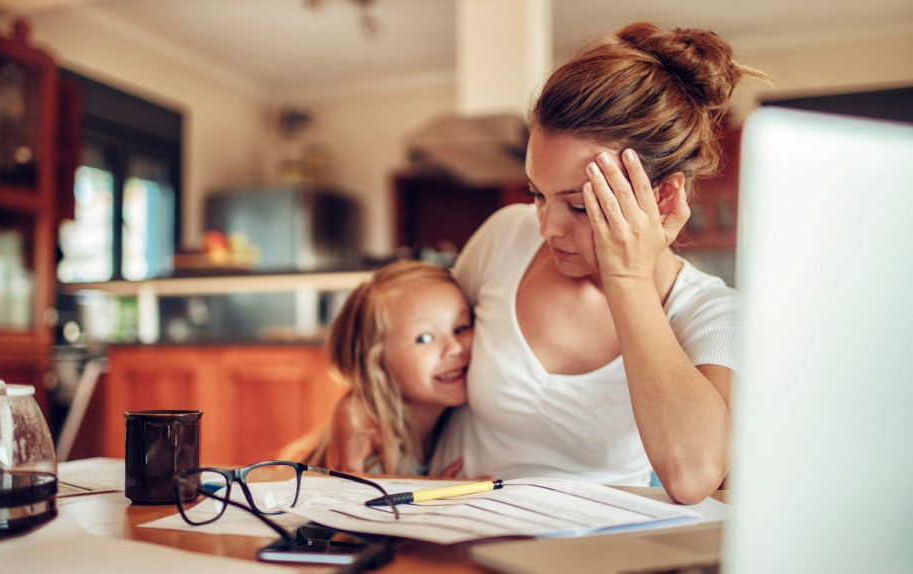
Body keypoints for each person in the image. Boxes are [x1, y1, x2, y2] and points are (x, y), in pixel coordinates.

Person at [327, 22, 769, 504]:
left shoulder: (712, 313)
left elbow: (691, 475)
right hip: (442, 521)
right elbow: (418, 341)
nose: (547, 227)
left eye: (578, 206)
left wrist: (628, 277)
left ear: (662, 196)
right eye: (538, 194)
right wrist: (357, 403)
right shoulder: (506, 235)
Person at [288, 259, 472, 476]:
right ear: (377, 361)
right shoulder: (371, 453)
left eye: (461, 328)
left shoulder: (447, 416)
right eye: (423, 338)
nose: (454, 348)